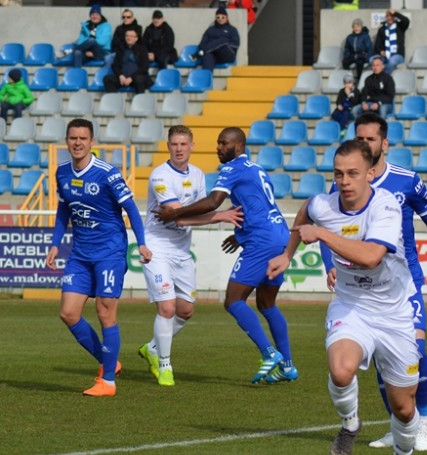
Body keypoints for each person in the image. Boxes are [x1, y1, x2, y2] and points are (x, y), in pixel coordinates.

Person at [266, 139, 422, 455]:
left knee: (403, 408)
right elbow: (306, 211)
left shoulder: (385, 205)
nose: (345, 181)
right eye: (338, 174)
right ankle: (350, 424)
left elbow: (371, 256)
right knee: (340, 370)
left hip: (394, 313)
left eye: (353, 173)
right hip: (352, 306)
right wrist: (288, 254)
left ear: (370, 174)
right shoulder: (324, 204)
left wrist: (322, 234)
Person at [321, 113, 427, 452]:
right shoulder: (343, 184)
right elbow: (325, 222)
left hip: (404, 283)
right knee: (383, 358)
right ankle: (398, 425)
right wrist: (329, 264)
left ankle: (424, 419)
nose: (365, 144)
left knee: (416, 351)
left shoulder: (405, 181)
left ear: (384, 143)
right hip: (361, 291)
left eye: (371, 139)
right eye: (359, 138)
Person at [156, 127, 296, 384]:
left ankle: (269, 353)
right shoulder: (256, 168)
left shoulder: (232, 168)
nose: (218, 148)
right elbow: (257, 204)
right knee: (267, 304)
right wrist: (240, 235)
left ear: (238, 146)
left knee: (233, 301)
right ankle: (287, 366)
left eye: (223, 143)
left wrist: (174, 213)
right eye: (218, 143)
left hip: (262, 241)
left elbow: (213, 202)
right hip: (279, 236)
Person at [44, 118, 152, 397]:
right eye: (73, 138)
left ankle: (108, 383)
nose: (77, 143)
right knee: (68, 313)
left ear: (92, 142)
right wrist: (55, 244)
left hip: (109, 252)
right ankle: (109, 361)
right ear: (67, 141)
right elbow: (64, 209)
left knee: (105, 311)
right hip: (80, 253)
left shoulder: (107, 173)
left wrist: (141, 243)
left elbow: (130, 208)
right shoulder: (62, 172)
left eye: (83, 138)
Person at [137, 125, 242, 387]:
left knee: (185, 310)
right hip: (157, 247)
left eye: (184, 144)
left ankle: (152, 348)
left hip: (181, 250)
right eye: (174, 144)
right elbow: (179, 217)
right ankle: (164, 365)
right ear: (168, 146)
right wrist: (220, 215)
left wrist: (211, 214)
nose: (179, 149)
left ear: (192, 146)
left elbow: (196, 212)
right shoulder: (160, 176)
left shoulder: (197, 175)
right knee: (167, 307)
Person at [103, 27, 152, 93]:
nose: (129, 38)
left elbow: (145, 67)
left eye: (131, 36)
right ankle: (114, 98)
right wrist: (120, 75)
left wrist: (131, 77)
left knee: (139, 80)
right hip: (123, 78)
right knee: (107, 79)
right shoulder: (121, 49)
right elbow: (115, 65)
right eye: (127, 36)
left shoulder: (142, 49)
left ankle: (140, 98)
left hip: (136, 77)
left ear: (136, 38)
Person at [196, 6, 239, 70]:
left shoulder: (232, 29)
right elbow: (202, 43)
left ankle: (199, 53)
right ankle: (207, 75)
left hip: (227, 54)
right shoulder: (210, 30)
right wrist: (210, 48)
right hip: (213, 54)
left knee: (223, 40)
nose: (220, 19)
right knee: (207, 56)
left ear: (227, 18)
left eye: (223, 17)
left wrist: (222, 44)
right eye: (218, 17)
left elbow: (235, 44)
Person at [371, 8, 409, 74]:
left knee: (391, 61)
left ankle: (385, 77)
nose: (390, 18)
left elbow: (406, 21)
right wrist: (381, 51)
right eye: (388, 16)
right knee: (372, 60)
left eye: (392, 16)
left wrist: (395, 13)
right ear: (386, 18)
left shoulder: (400, 27)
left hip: (398, 55)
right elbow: (377, 45)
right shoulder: (382, 29)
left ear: (394, 17)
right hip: (385, 56)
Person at [341, 17, 372, 82]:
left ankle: (359, 79)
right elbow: (347, 48)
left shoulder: (365, 36)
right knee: (345, 62)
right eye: (354, 27)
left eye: (358, 26)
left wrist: (368, 57)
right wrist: (347, 56)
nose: (356, 28)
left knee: (359, 63)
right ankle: (349, 77)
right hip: (353, 55)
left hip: (362, 56)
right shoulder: (350, 37)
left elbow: (369, 48)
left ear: (361, 27)